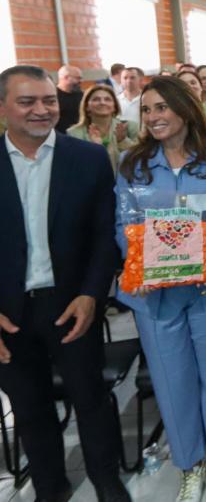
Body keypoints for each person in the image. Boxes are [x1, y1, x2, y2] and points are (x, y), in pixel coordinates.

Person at [0, 65, 130, 502]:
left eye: (49, 100)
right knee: (29, 406)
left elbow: (105, 235)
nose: (41, 110)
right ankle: (50, 487)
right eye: (27, 102)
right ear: (2, 108)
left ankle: (106, 479)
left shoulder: (87, 159)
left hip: (72, 302)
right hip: (8, 310)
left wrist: (92, 294)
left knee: (90, 397)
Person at [115, 76, 206, 502]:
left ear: (185, 109)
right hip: (155, 294)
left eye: (161, 107)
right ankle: (189, 464)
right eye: (146, 110)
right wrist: (140, 259)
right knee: (172, 381)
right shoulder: (132, 163)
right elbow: (123, 222)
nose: (153, 117)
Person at [67, 84, 139, 172]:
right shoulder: (74, 134)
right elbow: (76, 166)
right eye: (96, 99)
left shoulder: (130, 127)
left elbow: (140, 159)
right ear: (87, 106)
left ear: (115, 106)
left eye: (107, 99)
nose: (102, 102)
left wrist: (123, 141)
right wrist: (96, 148)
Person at [55, 64, 84, 134]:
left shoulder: (81, 95)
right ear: (66, 77)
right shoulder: (53, 96)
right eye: (78, 78)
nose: (81, 81)